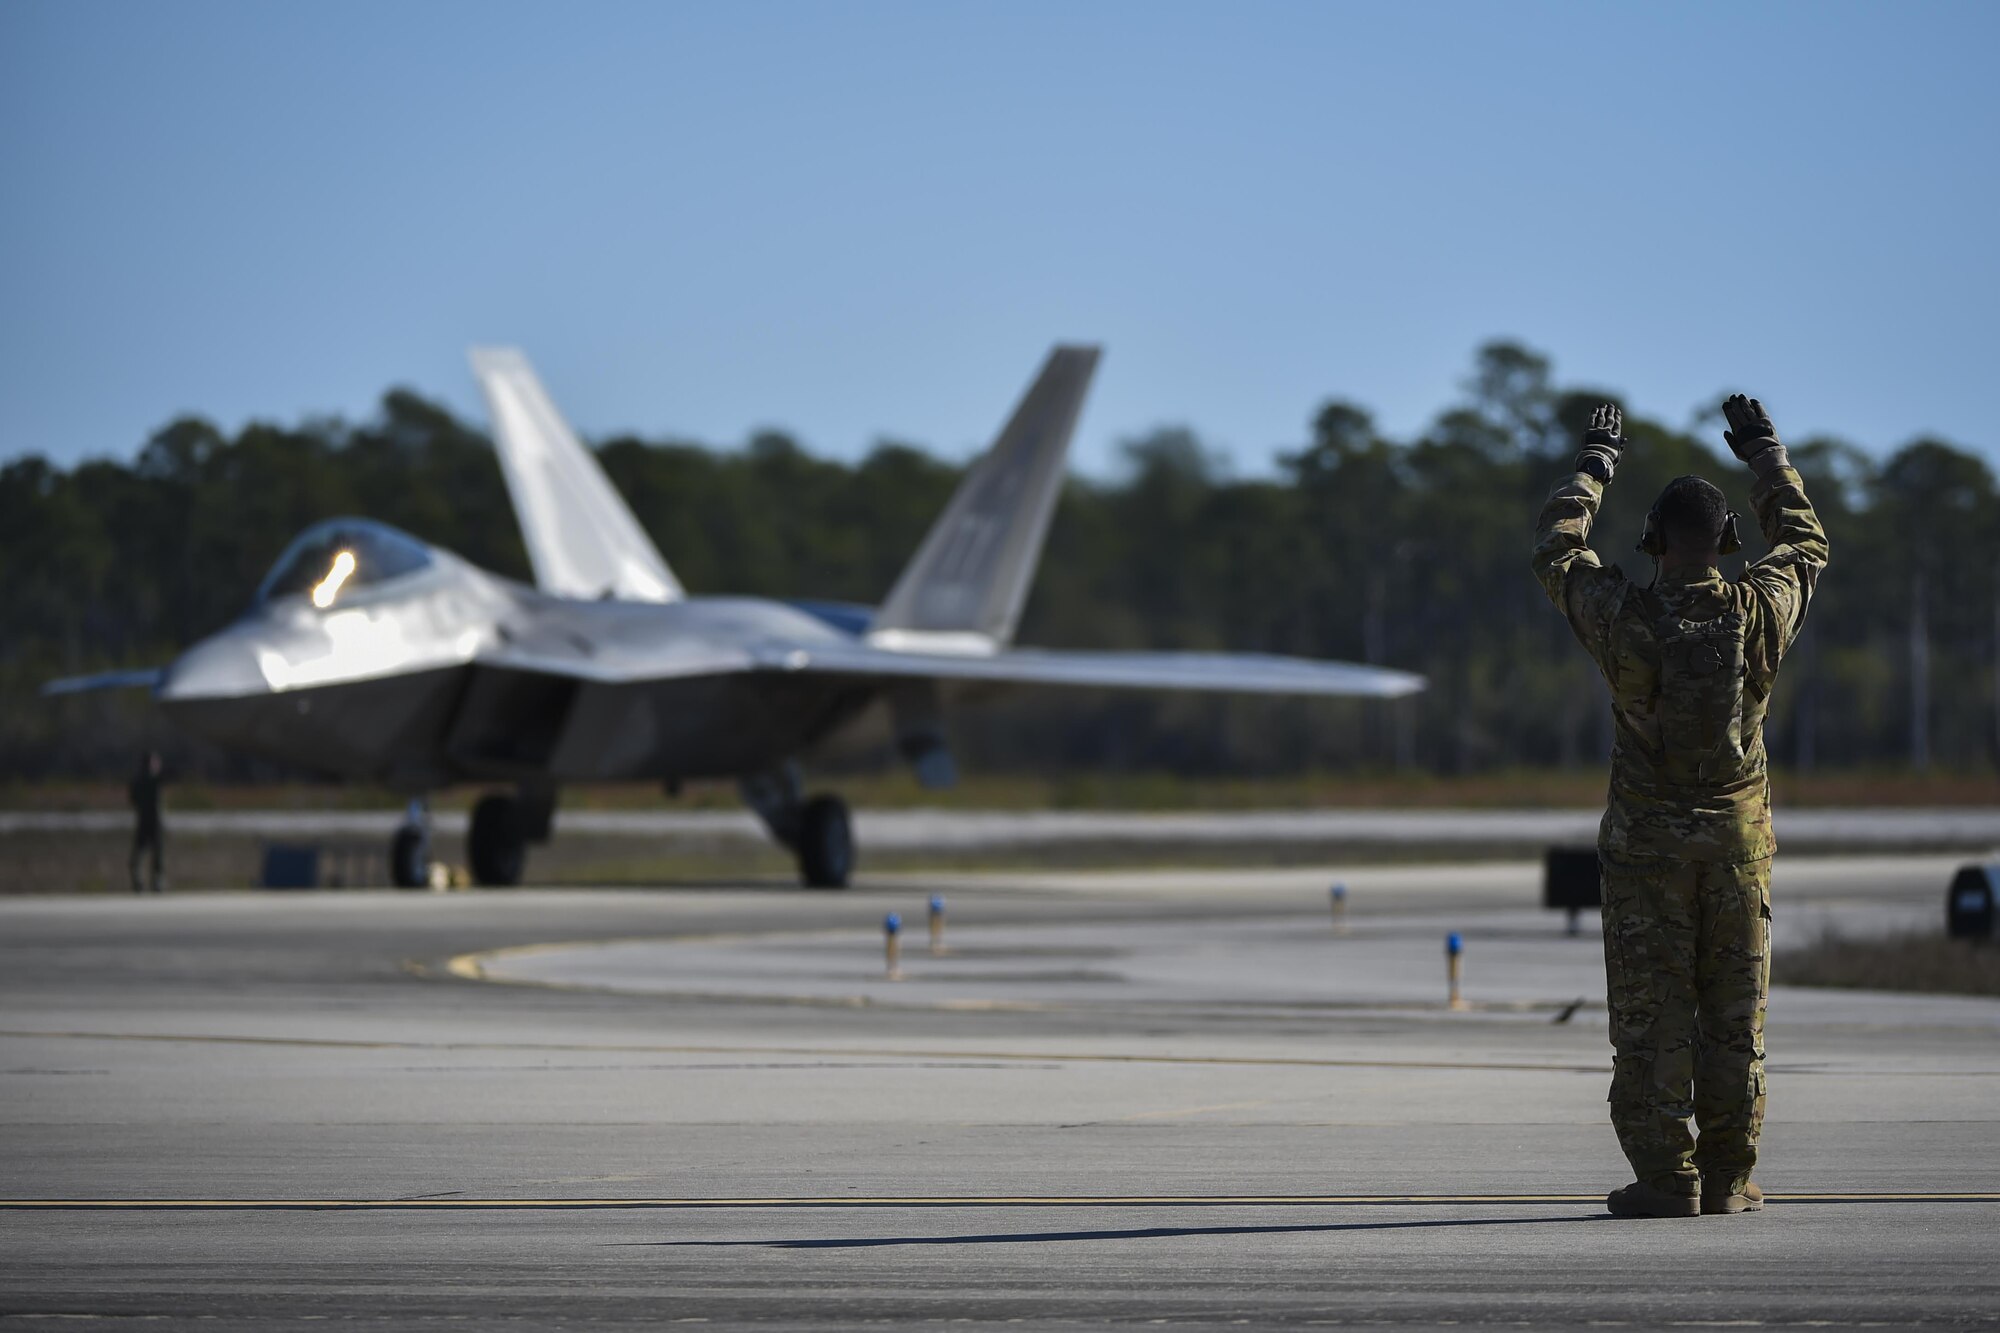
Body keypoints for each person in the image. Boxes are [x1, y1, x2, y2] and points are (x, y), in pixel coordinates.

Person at [1532, 395, 1829, 1218]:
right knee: (1734, 1017)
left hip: (1647, 852)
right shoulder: (1759, 608)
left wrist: (1596, 461)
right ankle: (1731, 1177)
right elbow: (1806, 543)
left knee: (1652, 1015)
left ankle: (1668, 1175)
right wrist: (1765, 455)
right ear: (1728, 542)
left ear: (1653, 544)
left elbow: (1557, 550)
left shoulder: (1624, 616)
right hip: (1738, 849)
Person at [128, 750, 167, 894]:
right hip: (149, 821)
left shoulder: (140, 779)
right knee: (146, 854)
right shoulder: (150, 780)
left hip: (148, 820)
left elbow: (133, 799)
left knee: (153, 854)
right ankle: (146, 881)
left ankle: (149, 881)